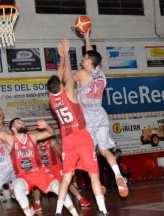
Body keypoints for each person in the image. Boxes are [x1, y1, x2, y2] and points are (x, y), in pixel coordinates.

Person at [47, 38, 107, 216]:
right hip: (81, 135)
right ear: (63, 87)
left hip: (67, 139)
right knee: (93, 174)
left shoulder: (52, 99)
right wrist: (65, 56)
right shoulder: (70, 94)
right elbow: (65, 75)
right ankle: (102, 210)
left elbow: (58, 78)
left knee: (66, 177)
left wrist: (61, 59)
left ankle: (58, 212)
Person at [73, 30, 128, 197]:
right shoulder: (101, 72)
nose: (82, 59)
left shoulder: (82, 74)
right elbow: (92, 55)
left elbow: (66, 80)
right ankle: (118, 175)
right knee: (105, 150)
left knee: (89, 153)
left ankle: (98, 184)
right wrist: (87, 38)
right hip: (101, 112)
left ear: (89, 61)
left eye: (84, 58)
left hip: (87, 115)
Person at [0, 115, 79, 216]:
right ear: (13, 128)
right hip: (24, 176)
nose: (22, 123)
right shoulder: (10, 139)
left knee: (58, 188)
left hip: (40, 173)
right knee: (17, 187)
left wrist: (46, 125)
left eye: (22, 121)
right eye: (19, 122)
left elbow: (51, 132)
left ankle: (75, 214)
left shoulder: (32, 137)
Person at [33, 138, 91, 212]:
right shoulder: (36, 144)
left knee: (67, 182)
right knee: (36, 184)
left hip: (55, 167)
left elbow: (61, 154)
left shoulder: (52, 142)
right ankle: (37, 204)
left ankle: (80, 198)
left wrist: (65, 167)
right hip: (44, 168)